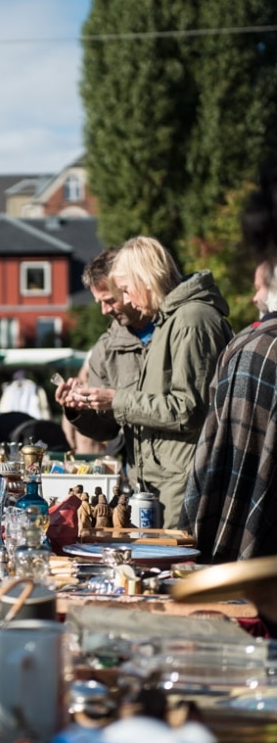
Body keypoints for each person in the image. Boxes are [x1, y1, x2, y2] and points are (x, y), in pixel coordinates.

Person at [56, 236, 232, 528]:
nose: (122, 301)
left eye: (123, 290)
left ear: (147, 278)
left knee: (182, 569)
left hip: (184, 481)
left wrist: (116, 399)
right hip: (158, 484)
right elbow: (115, 424)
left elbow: (188, 409)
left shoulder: (191, 320)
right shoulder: (169, 322)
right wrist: (81, 408)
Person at [180, 261, 277, 564]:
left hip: (241, 515)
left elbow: (218, 436)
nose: (253, 297)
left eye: (259, 287)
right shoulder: (252, 343)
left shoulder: (253, 346)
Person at [56, 246, 154, 481]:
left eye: (109, 300)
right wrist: (78, 409)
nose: (103, 310)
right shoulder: (104, 350)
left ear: (129, 287)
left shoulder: (174, 330)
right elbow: (106, 429)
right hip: (138, 476)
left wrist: (116, 399)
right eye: (99, 302)